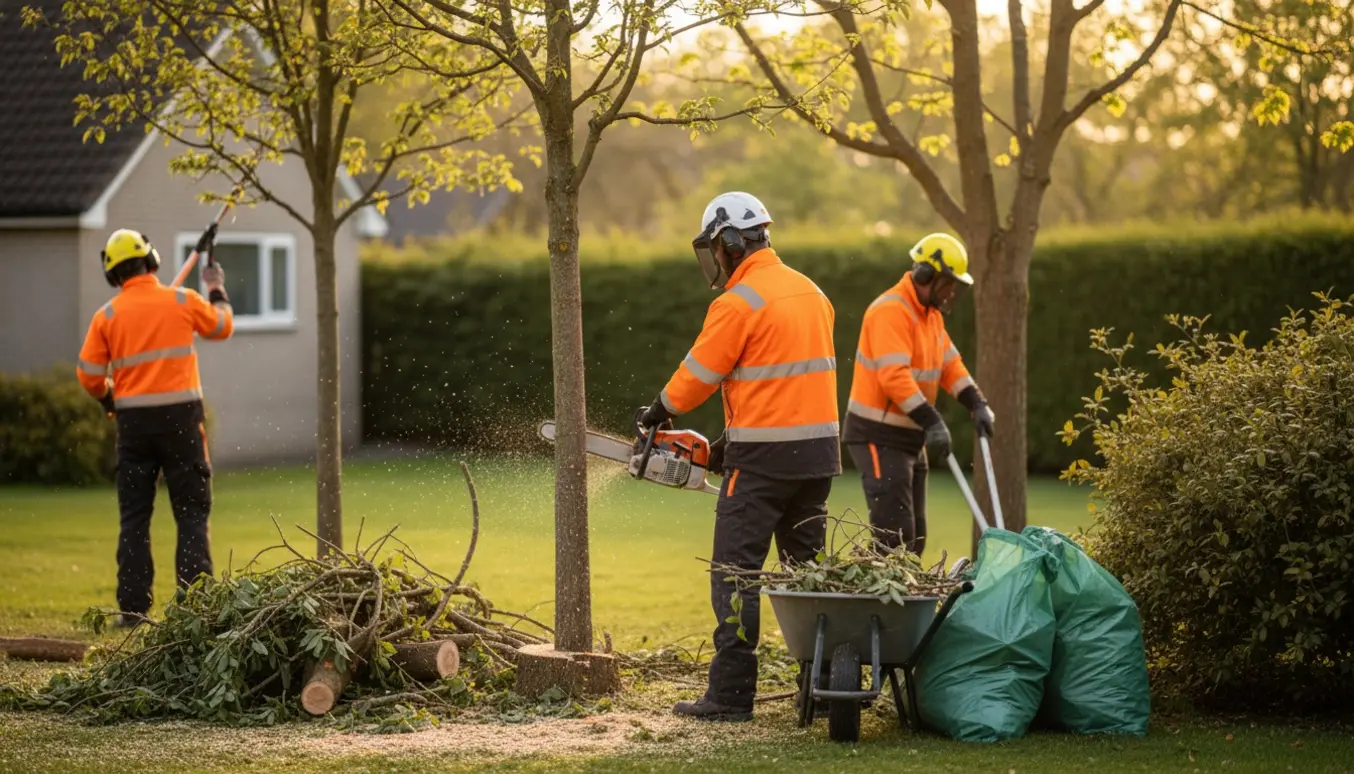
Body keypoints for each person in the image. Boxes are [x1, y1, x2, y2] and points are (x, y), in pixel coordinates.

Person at [636, 192, 841, 721]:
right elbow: (785, 380)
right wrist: (729, 442)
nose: (717, 260)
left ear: (728, 242)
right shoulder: (812, 293)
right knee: (806, 573)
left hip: (762, 466)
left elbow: (700, 374)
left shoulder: (739, 301)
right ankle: (821, 688)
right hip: (816, 458)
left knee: (735, 574)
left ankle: (729, 695)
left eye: (716, 249)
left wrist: (659, 411)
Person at [76, 227, 234, 627]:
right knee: (192, 515)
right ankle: (196, 609)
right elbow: (221, 326)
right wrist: (216, 289)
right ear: (152, 261)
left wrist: (108, 396)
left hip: (134, 429)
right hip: (182, 423)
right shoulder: (183, 300)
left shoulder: (107, 316)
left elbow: (89, 376)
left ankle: (132, 613)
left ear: (114, 275)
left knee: (134, 519)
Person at [841, 232, 995, 555]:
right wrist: (933, 422)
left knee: (915, 538)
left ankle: (894, 600)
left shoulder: (931, 317)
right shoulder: (890, 311)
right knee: (894, 536)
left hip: (910, 438)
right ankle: (872, 600)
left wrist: (977, 403)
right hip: (876, 435)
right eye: (949, 282)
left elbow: (950, 365)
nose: (953, 291)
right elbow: (893, 378)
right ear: (926, 275)